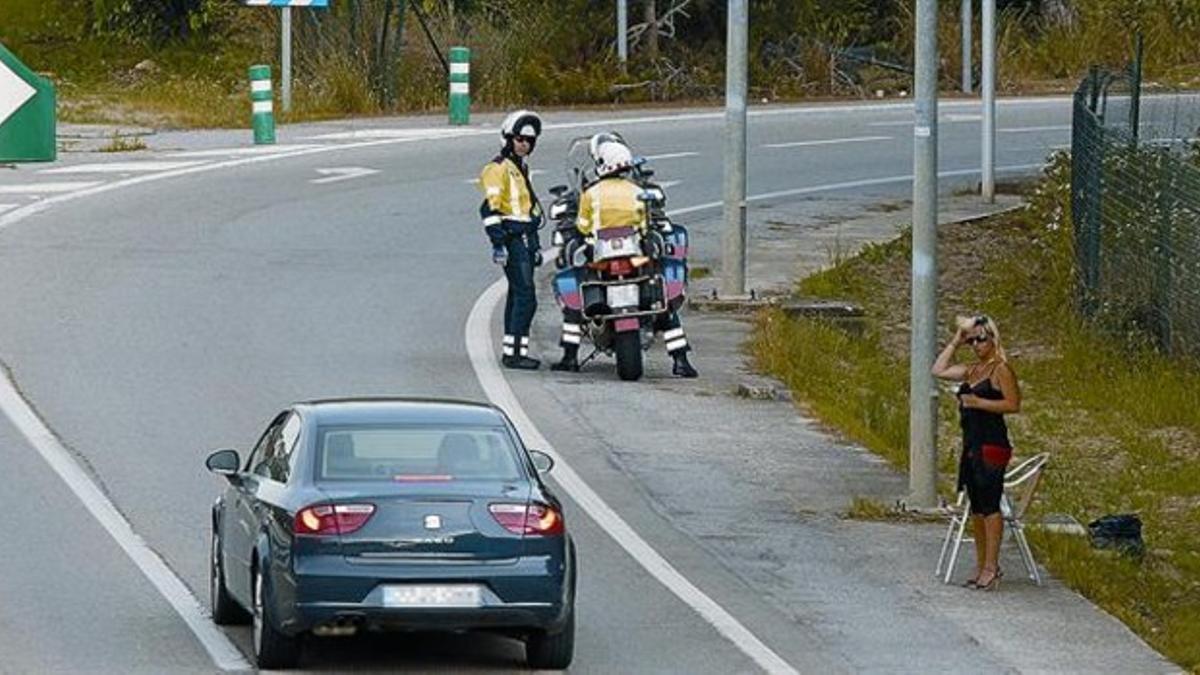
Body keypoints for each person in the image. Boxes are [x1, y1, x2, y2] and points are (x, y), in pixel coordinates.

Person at [551, 135, 698, 378]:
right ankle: (680, 360)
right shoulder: (635, 191)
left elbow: (584, 226)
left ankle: (569, 356)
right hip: (635, 257)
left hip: (601, 259)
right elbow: (644, 223)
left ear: (602, 164)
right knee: (661, 303)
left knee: (576, 299)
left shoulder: (592, 194)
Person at [932, 314, 1022, 591]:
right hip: (972, 443)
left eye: (980, 339)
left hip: (992, 444)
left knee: (990, 505)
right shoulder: (973, 370)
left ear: (993, 340)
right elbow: (938, 370)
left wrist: (978, 402)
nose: (976, 345)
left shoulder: (1000, 370)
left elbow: (1013, 404)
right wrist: (957, 341)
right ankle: (981, 562)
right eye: (972, 340)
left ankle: (992, 566)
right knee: (977, 508)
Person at [479, 109, 544, 370]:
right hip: (512, 240)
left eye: (529, 141)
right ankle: (516, 353)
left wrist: (536, 246)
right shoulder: (498, 169)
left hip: (526, 239)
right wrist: (498, 244)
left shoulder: (520, 169)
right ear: (508, 139)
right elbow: (488, 209)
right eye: (519, 139)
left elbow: (528, 211)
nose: (524, 144)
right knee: (526, 296)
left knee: (518, 294)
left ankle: (512, 350)